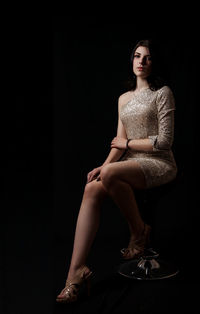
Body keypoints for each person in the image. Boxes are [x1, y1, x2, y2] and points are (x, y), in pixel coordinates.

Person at [56, 39, 178, 303]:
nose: (141, 62)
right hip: (130, 162)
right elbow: (118, 141)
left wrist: (128, 145)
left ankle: (138, 231)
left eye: (147, 58)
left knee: (112, 174)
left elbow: (166, 140)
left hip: (159, 162)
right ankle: (76, 273)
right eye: (137, 56)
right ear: (131, 60)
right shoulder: (124, 98)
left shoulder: (163, 92)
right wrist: (104, 165)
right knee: (92, 186)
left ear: (154, 63)